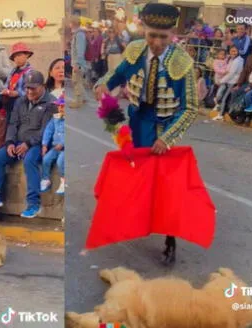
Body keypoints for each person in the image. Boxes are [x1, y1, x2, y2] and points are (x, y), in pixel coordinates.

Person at [94, 3, 197, 265]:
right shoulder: (135, 50)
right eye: (152, 35)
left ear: (172, 33)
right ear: (144, 30)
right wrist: (103, 85)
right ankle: (136, 219)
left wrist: (168, 138)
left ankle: (170, 238)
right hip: (138, 124)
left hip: (164, 127)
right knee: (136, 176)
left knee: (167, 189)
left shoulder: (182, 62)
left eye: (163, 37)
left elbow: (189, 108)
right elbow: (115, 76)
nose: (157, 42)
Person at [0, 70, 55, 218]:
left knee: (30, 160)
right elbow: (13, 123)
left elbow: (46, 130)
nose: (29, 91)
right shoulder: (20, 101)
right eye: (27, 87)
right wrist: (10, 142)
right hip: (18, 142)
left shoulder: (51, 103)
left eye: (33, 88)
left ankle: (33, 204)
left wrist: (28, 144)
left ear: (42, 86)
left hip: (37, 144)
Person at [2, 42, 34, 122]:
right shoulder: (13, 71)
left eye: (19, 55)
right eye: (15, 57)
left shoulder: (30, 72)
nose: (17, 58)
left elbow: (31, 91)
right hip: (9, 105)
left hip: (22, 106)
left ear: (26, 55)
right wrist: (5, 90)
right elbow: (7, 84)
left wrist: (17, 93)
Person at [41, 96, 65, 194]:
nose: (60, 108)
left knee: (60, 162)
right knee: (46, 159)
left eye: (63, 106)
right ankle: (46, 179)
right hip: (55, 147)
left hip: (64, 148)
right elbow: (48, 130)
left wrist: (62, 143)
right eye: (59, 106)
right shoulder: (56, 117)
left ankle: (63, 181)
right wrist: (44, 144)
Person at [214, 46, 244, 116]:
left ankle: (220, 114)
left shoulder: (237, 61)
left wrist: (221, 81)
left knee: (224, 98)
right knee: (221, 96)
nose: (233, 53)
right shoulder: (231, 59)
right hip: (227, 81)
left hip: (232, 81)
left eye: (235, 51)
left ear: (238, 51)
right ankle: (219, 110)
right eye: (231, 51)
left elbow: (231, 73)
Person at [69, 16, 88, 108]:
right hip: (78, 62)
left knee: (76, 82)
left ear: (73, 24)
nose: (69, 25)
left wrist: (77, 64)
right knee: (79, 81)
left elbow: (80, 50)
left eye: (70, 23)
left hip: (78, 63)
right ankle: (84, 98)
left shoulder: (79, 35)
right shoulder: (77, 34)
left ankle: (78, 101)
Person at [101, 27, 126, 97]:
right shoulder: (107, 40)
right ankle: (111, 89)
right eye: (109, 32)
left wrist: (123, 55)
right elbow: (104, 48)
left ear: (115, 33)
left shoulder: (119, 39)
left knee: (116, 73)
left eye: (112, 32)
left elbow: (125, 47)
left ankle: (115, 92)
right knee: (110, 73)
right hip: (110, 57)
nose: (111, 33)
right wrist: (103, 53)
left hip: (117, 56)